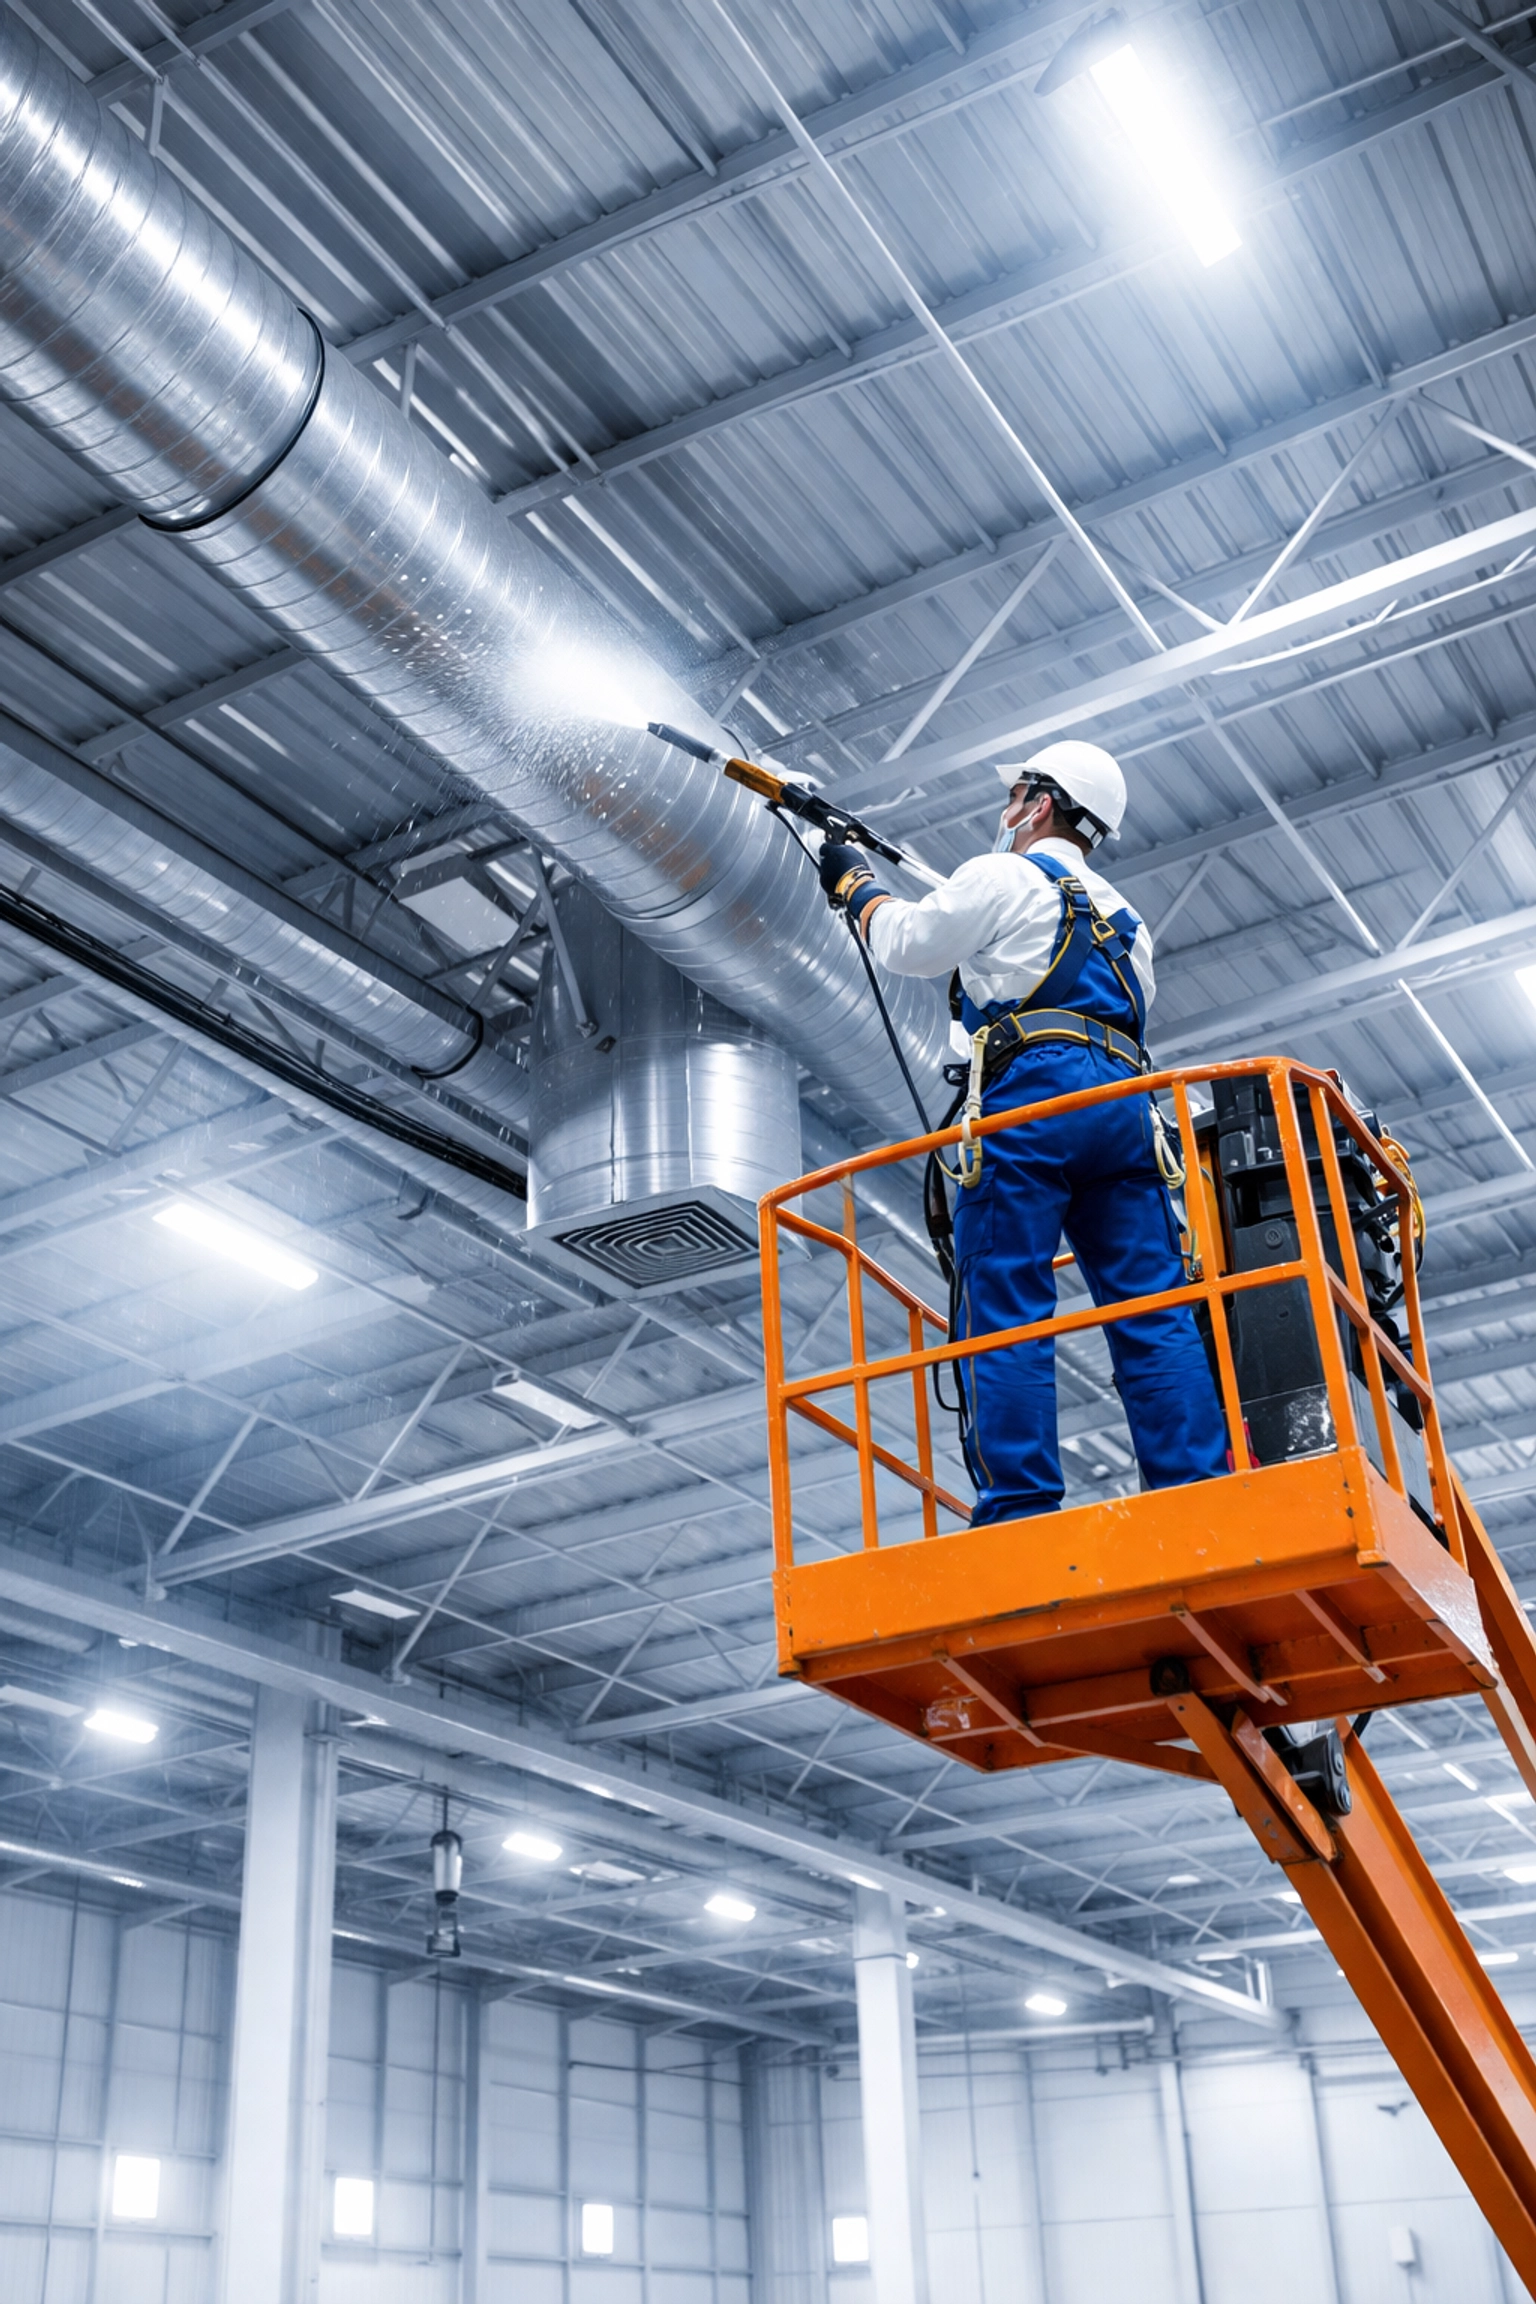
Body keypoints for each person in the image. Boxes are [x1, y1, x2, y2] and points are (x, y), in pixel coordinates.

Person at [818, 740, 1229, 1524]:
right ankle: (1194, 1496)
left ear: (1039, 804)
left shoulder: (1002, 872)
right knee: (1152, 1309)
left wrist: (853, 883)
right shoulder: (1130, 926)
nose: (1006, 812)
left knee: (1004, 1302)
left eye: (1015, 797)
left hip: (1033, 1101)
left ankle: (1022, 1507)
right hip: (1126, 1110)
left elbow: (905, 942)